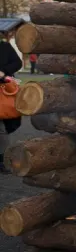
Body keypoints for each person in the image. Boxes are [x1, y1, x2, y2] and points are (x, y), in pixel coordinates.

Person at [0, 31, 23, 174]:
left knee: (1, 129)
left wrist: (3, 72)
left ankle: (3, 159)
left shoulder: (5, 47)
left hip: (2, 91)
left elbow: (18, 63)